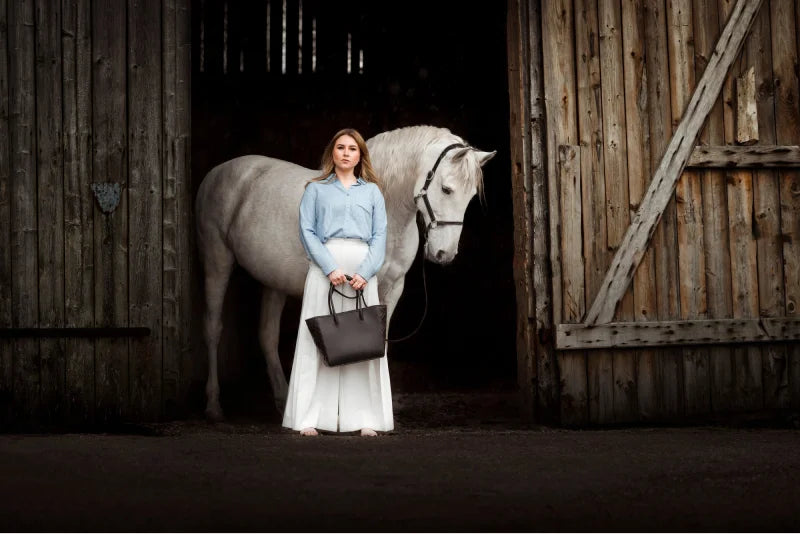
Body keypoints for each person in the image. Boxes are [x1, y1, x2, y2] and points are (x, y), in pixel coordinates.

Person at [282, 128, 393, 437]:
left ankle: (366, 418)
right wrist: (330, 267)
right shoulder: (315, 190)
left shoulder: (372, 192)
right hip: (324, 269)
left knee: (362, 341)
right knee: (318, 341)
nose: (346, 153)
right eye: (341, 147)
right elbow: (308, 231)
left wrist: (366, 272)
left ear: (360, 156)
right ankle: (309, 417)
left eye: (352, 149)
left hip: (362, 272)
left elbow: (380, 236)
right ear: (332, 152)